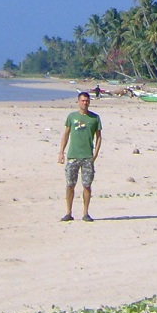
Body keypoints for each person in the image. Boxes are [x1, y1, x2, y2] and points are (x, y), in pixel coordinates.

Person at [57, 90, 101, 222]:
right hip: (73, 156)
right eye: (82, 101)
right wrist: (61, 152)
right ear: (78, 102)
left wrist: (96, 153)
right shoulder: (71, 117)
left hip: (87, 156)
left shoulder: (95, 118)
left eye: (87, 101)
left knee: (87, 185)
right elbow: (66, 134)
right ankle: (68, 212)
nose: (85, 103)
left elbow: (99, 137)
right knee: (70, 184)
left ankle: (86, 213)